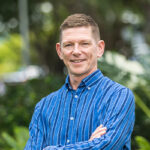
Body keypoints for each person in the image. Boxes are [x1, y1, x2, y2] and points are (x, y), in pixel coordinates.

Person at [24, 13, 135, 150]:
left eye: (84, 43)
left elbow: (108, 146)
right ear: (60, 51)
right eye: (69, 45)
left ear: (99, 48)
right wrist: (91, 145)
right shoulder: (44, 107)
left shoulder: (119, 96)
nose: (76, 51)